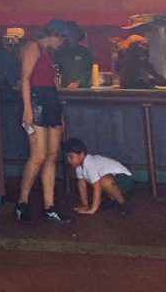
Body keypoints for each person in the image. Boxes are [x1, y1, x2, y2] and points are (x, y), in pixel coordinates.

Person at [15, 19, 72, 224]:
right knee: (38, 156)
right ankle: (22, 202)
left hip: (51, 100)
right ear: (56, 35)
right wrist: (28, 109)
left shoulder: (48, 53)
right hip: (37, 100)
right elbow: (26, 79)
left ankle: (50, 206)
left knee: (52, 155)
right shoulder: (33, 47)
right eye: (61, 40)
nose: (61, 44)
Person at [64, 137, 135, 215]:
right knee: (100, 181)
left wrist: (93, 210)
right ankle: (113, 200)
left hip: (125, 179)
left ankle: (123, 204)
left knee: (104, 181)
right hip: (114, 180)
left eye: (71, 157)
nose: (69, 160)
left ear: (81, 155)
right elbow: (82, 185)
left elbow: (97, 187)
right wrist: (85, 205)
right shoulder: (79, 167)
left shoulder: (89, 164)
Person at [55, 22, 95, 89]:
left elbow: (87, 72)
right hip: (65, 91)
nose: (69, 36)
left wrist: (78, 83)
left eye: (72, 33)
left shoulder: (86, 52)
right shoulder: (60, 53)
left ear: (78, 35)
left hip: (84, 92)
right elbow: (56, 71)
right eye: (67, 34)